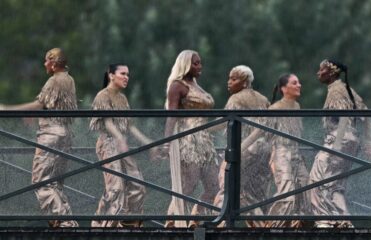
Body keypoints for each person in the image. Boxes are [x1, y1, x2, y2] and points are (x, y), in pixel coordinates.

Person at [0, 48, 78, 227]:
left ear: (53, 62)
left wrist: (7, 109)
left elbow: (39, 104)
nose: (44, 64)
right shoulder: (69, 79)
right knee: (55, 183)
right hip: (65, 134)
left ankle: (64, 224)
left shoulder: (54, 80)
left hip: (51, 135)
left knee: (41, 182)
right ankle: (66, 222)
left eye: (46, 61)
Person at [308, 59, 371, 228]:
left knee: (317, 181)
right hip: (351, 140)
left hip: (339, 139)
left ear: (330, 72)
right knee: (336, 186)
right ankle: (344, 222)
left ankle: (325, 223)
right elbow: (366, 114)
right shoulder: (346, 88)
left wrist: (336, 146)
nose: (318, 73)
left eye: (321, 69)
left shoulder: (337, 90)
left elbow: (344, 116)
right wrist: (368, 140)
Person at [90, 63, 155, 228]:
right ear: (111, 75)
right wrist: (120, 138)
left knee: (137, 185)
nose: (127, 77)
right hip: (108, 143)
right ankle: (101, 225)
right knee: (116, 187)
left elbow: (130, 126)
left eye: (128, 74)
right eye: (123, 73)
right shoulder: (102, 95)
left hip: (121, 143)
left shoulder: (122, 98)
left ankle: (129, 222)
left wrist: (149, 143)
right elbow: (108, 122)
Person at [163, 50, 219, 228]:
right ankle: (171, 221)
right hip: (188, 140)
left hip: (206, 141)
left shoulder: (196, 85)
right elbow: (171, 116)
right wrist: (166, 142)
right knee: (189, 184)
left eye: (200, 63)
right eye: (195, 63)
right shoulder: (177, 86)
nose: (200, 66)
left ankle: (196, 217)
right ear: (186, 64)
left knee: (214, 186)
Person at [212, 65, 273, 228]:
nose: (229, 82)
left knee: (227, 182)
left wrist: (202, 127)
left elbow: (225, 121)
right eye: (229, 78)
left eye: (234, 79)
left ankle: (220, 223)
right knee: (254, 190)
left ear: (245, 82)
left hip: (245, 148)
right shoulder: (263, 98)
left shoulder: (236, 99)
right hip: (265, 149)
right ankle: (261, 225)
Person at [262, 74, 310, 228]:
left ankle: (297, 225)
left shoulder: (297, 106)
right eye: (294, 83)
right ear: (284, 88)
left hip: (296, 154)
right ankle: (271, 226)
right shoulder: (275, 109)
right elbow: (265, 136)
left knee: (306, 188)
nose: (299, 85)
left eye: (299, 82)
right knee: (286, 193)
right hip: (281, 153)